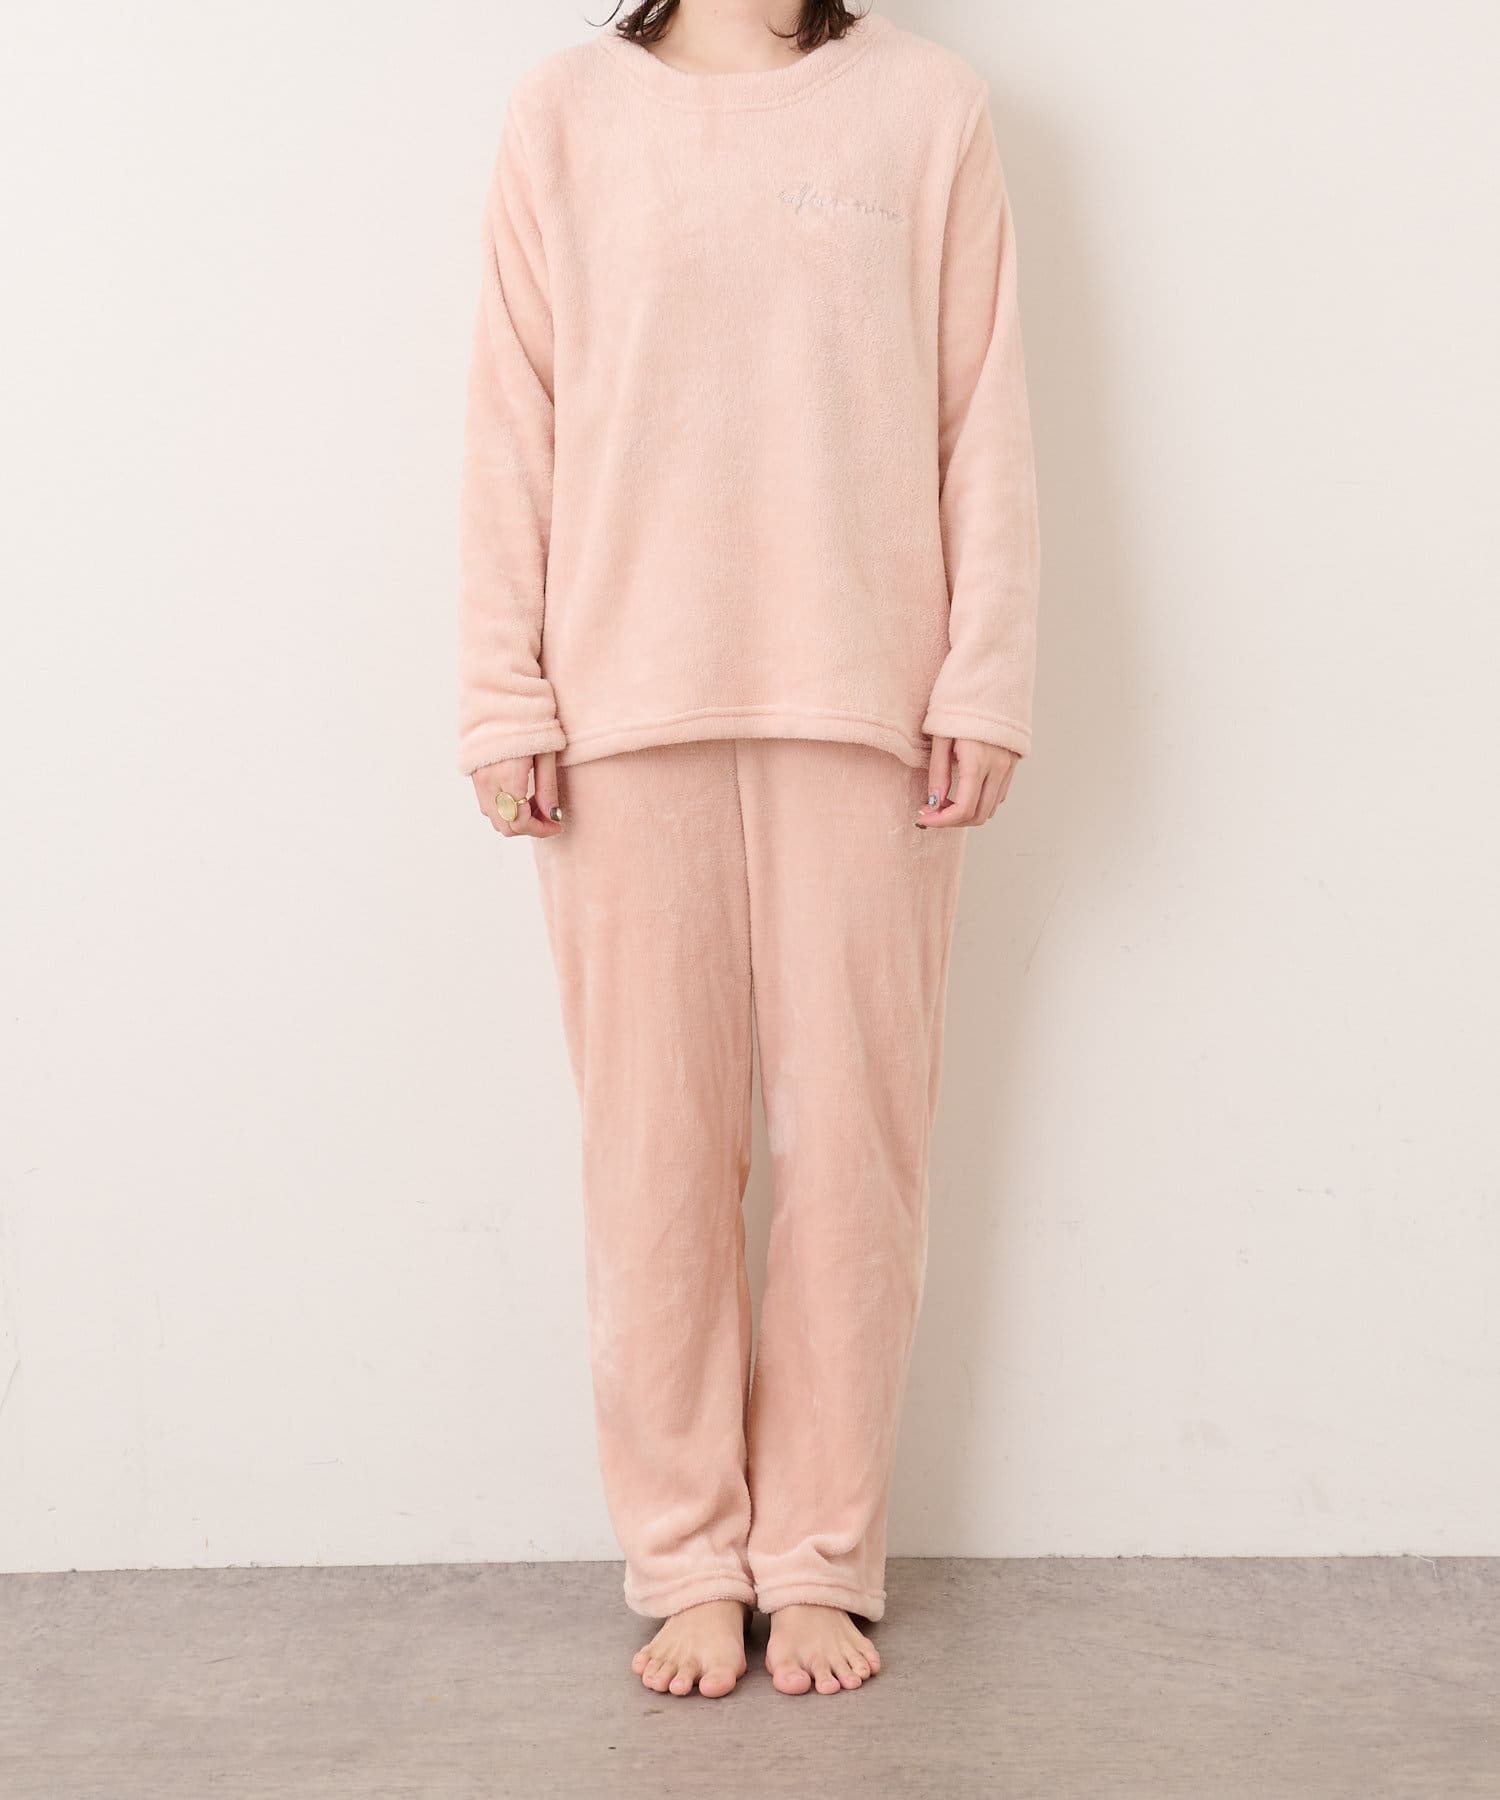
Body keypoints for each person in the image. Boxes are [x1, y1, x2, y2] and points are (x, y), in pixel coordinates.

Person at [456, 0, 1039, 1699]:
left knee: (857, 1154)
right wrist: (501, 696)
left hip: (867, 702)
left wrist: (984, 676)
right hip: (618, 709)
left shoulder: (927, 106)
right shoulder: (563, 115)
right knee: (653, 1162)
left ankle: (818, 1560)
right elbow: (511, 422)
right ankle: (691, 1559)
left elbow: (982, 413)